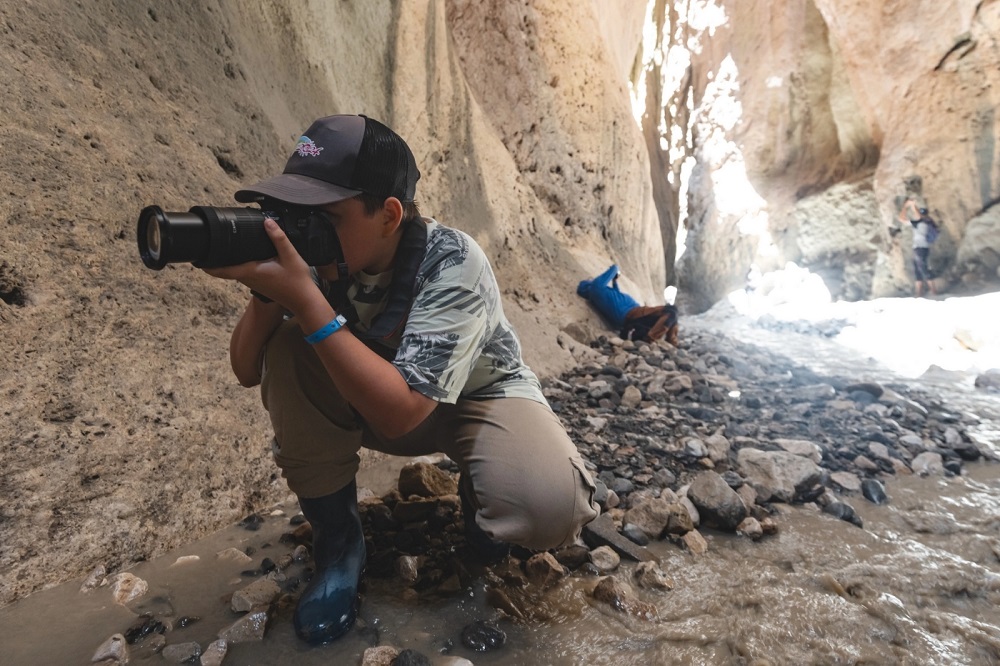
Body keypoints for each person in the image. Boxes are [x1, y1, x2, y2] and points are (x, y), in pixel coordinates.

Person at [203, 115, 598, 644]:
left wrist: (305, 299)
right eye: (293, 212)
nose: (305, 229)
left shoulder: (453, 260)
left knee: (549, 504)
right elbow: (247, 369)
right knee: (289, 347)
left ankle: (484, 510)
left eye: (324, 216)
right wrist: (266, 293)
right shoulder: (318, 263)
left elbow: (401, 411)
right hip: (380, 396)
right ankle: (340, 546)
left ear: (389, 215)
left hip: (478, 400)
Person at [577, 264, 679, 345]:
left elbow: (615, 295)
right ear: (588, 284)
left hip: (635, 316)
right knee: (671, 311)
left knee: (671, 315)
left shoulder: (600, 294)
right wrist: (616, 271)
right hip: (633, 313)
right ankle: (653, 338)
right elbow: (614, 267)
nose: (592, 279)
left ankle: (671, 342)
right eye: (589, 280)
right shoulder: (596, 287)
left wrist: (615, 282)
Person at [897, 198, 937, 296]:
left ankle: (933, 291)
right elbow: (901, 219)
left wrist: (911, 206)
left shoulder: (923, 222)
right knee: (918, 269)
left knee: (923, 268)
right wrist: (906, 207)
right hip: (921, 248)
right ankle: (918, 293)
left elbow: (904, 218)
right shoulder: (926, 222)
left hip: (920, 248)